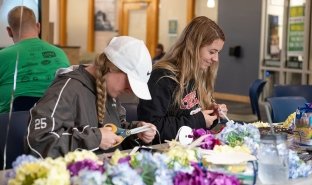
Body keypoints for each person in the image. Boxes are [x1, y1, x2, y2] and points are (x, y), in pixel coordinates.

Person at [26, 36, 157, 158]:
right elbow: (38, 142)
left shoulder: (110, 91)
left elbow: (115, 131)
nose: (130, 91)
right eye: (130, 82)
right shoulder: (68, 88)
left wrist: (136, 132)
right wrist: (96, 138)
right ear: (113, 67)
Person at [137, 16, 228, 143]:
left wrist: (211, 115)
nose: (216, 59)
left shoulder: (197, 75)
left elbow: (193, 118)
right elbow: (151, 129)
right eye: (212, 52)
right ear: (194, 47)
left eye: (218, 52)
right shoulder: (161, 77)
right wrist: (199, 120)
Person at [0, 6, 70, 113]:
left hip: (10, 126)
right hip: (54, 123)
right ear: (38, 26)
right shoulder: (61, 54)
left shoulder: (2, 56)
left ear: (9, 31)